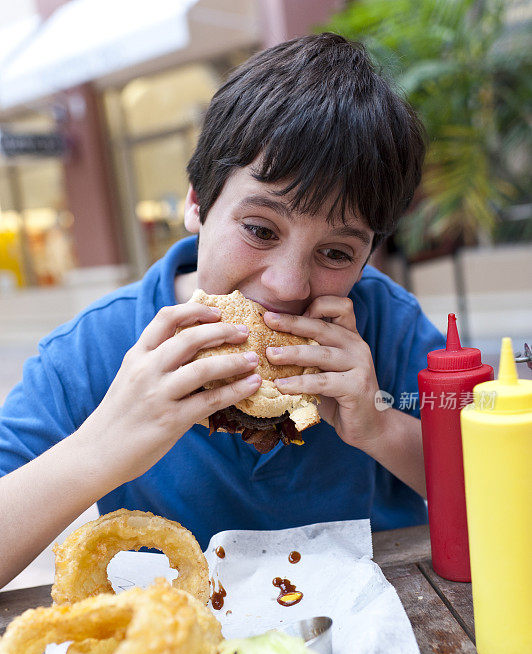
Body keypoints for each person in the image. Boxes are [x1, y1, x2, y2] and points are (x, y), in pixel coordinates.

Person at [0, 33, 445, 588]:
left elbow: (507, 492)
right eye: (260, 230)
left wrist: (379, 426)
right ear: (196, 203)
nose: (285, 285)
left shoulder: (390, 327)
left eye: (335, 253)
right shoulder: (95, 347)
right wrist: (104, 445)